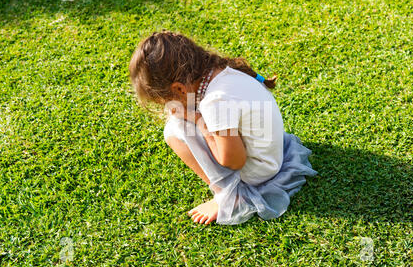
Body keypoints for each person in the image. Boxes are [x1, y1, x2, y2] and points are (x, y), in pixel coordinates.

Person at [129, 30, 317, 225]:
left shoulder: (215, 102)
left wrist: (200, 122)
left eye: (167, 101)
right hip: (273, 155)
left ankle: (227, 196)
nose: (167, 106)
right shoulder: (222, 72)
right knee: (181, 119)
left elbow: (233, 161)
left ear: (179, 89)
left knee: (174, 130)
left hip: (259, 171)